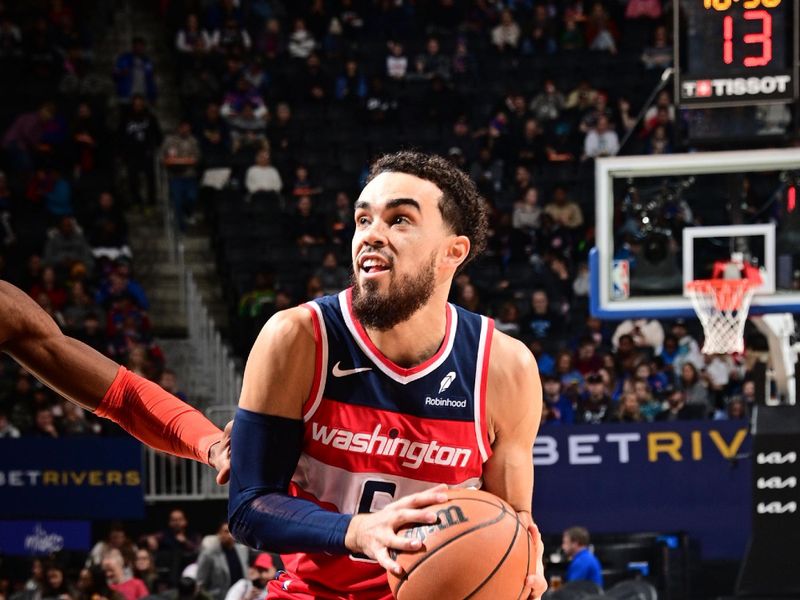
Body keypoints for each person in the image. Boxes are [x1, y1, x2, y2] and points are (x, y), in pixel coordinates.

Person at [226, 151, 546, 599]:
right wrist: (358, 531)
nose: (371, 235)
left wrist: (524, 559)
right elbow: (249, 509)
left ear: (453, 251)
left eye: (399, 220)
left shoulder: (504, 367)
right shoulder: (298, 338)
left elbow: (513, 519)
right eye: (363, 220)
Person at [196, 523, 249, 600]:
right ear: (219, 534)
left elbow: (245, 575)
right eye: (226, 531)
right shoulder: (209, 554)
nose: (229, 535)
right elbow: (200, 583)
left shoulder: (242, 550)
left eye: (232, 531)